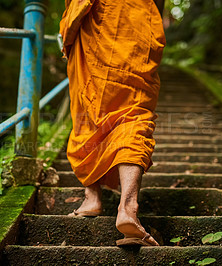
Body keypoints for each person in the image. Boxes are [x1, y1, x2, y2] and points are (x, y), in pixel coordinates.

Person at [59, 0, 166, 246]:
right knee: (133, 113)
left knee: (88, 109)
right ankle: (128, 208)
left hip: (92, 18)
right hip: (136, 20)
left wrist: (69, 26)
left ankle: (92, 198)